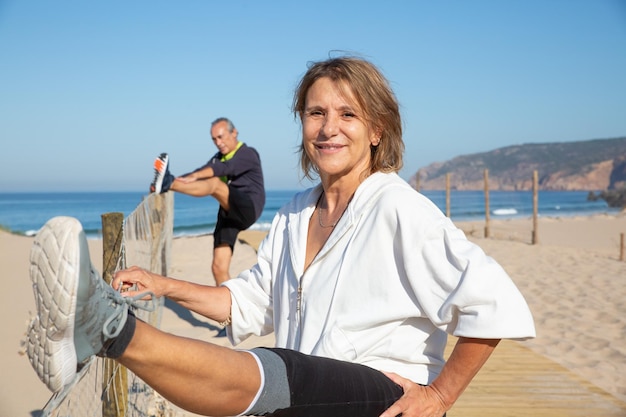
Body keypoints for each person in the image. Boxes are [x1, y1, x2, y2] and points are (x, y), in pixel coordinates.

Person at [26, 56, 535, 417]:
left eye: (348, 114)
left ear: (377, 129)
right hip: (305, 398)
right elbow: (247, 303)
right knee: (286, 379)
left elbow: (493, 301)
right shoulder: (295, 215)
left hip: (383, 395)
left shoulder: (399, 207)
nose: (328, 128)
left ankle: (104, 330)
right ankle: (95, 333)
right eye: (316, 113)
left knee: (283, 370)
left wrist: (440, 397)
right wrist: (164, 285)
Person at [150, 117, 265, 285]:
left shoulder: (248, 153)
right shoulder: (218, 157)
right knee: (218, 267)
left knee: (214, 184)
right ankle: (228, 309)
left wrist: (178, 181)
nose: (218, 142)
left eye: (221, 136)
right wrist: (168, 179)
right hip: (228, 213)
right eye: (214, 139)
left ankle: (169, 183)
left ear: (234, 133)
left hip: (248, 207)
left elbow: (221, 169)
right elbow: (201, 171)